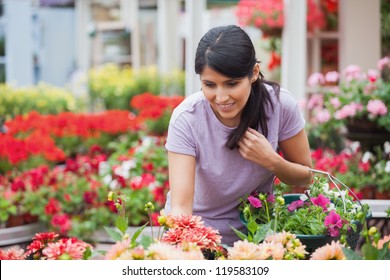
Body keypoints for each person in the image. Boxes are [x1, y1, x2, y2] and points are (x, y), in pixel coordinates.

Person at [164, 25, 312, 246]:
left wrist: (272, 161)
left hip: (258, 235)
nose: (221, 97)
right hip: (199, 237)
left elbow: (306, 176)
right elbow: (181, 207)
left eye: (231, 84)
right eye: (210, 85)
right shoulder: (187, 118)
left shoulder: (280, 106)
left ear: (253, 73)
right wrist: (190, 247)